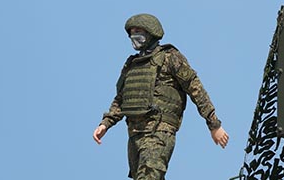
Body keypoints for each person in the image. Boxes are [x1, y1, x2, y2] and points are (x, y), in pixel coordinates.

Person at [92, 13, 229, 180]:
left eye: (138, 31)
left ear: (151, 32)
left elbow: (195, 89)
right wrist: (105, 124)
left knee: (148, 177)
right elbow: (122, 98)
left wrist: (214, 124)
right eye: (132, 32)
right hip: (134, 135)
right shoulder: (131, 64)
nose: (134, 36)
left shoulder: (169, 57)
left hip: (159, 130)